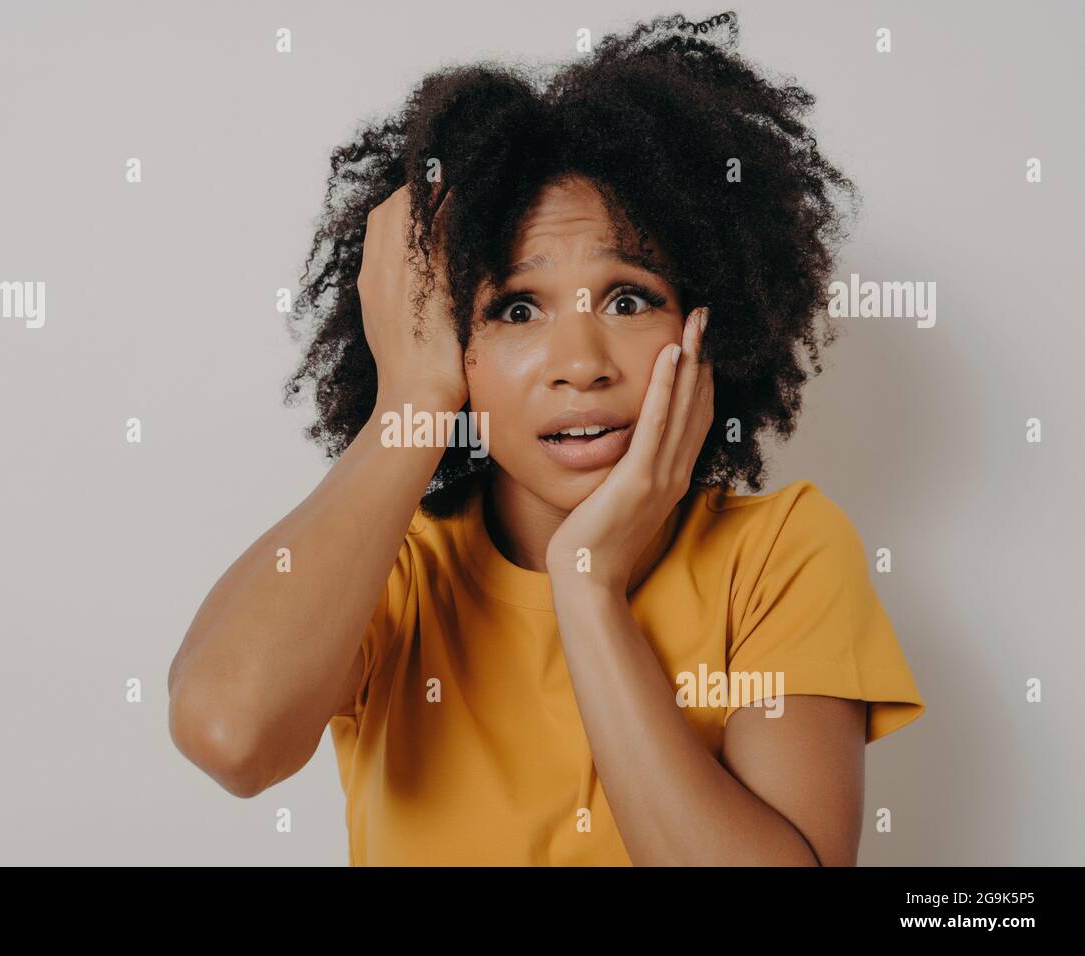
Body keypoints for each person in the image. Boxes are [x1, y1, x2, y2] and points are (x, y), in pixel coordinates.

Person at [167, 11, 925, 866]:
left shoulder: (781, 555)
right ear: (452, 345)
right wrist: (410, 399)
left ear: (711, 327)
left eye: (629, 298)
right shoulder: (393, 567)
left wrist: (589, 583)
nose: (581, 364)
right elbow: (228, 735)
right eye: (515, 309)